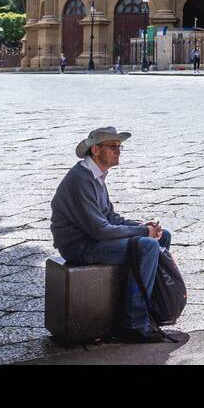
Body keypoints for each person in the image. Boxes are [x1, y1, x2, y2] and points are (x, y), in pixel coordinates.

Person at [50, 127, 172, 343]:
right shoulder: (81, 179)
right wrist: (144, 232)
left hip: (95, 239)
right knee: (148, 246)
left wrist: (143, 226)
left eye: (119, 147)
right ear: (96, 149)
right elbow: (99, 229)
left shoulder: (95, 175)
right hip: (81, 246)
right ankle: (135, 324)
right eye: (113, 147)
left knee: (162, 237)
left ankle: (149, 308)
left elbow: (110, 217)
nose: (118, 151)